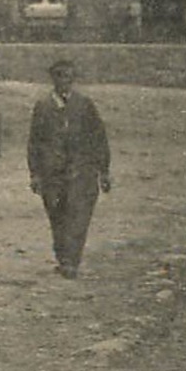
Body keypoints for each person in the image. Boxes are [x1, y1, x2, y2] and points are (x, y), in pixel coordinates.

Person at [26, 59, 111, 279]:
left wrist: (104, 170)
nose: (65, 81)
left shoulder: (84, 105)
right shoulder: (43, 107)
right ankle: (63, 256)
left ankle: (72, 261)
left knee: (79, 214)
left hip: (81, 171)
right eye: (60, 76)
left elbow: (99, 137)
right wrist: (35, 174)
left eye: (69, 77)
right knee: (57, 215)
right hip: (51, 173)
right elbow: (34, 142)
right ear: (53, 79)